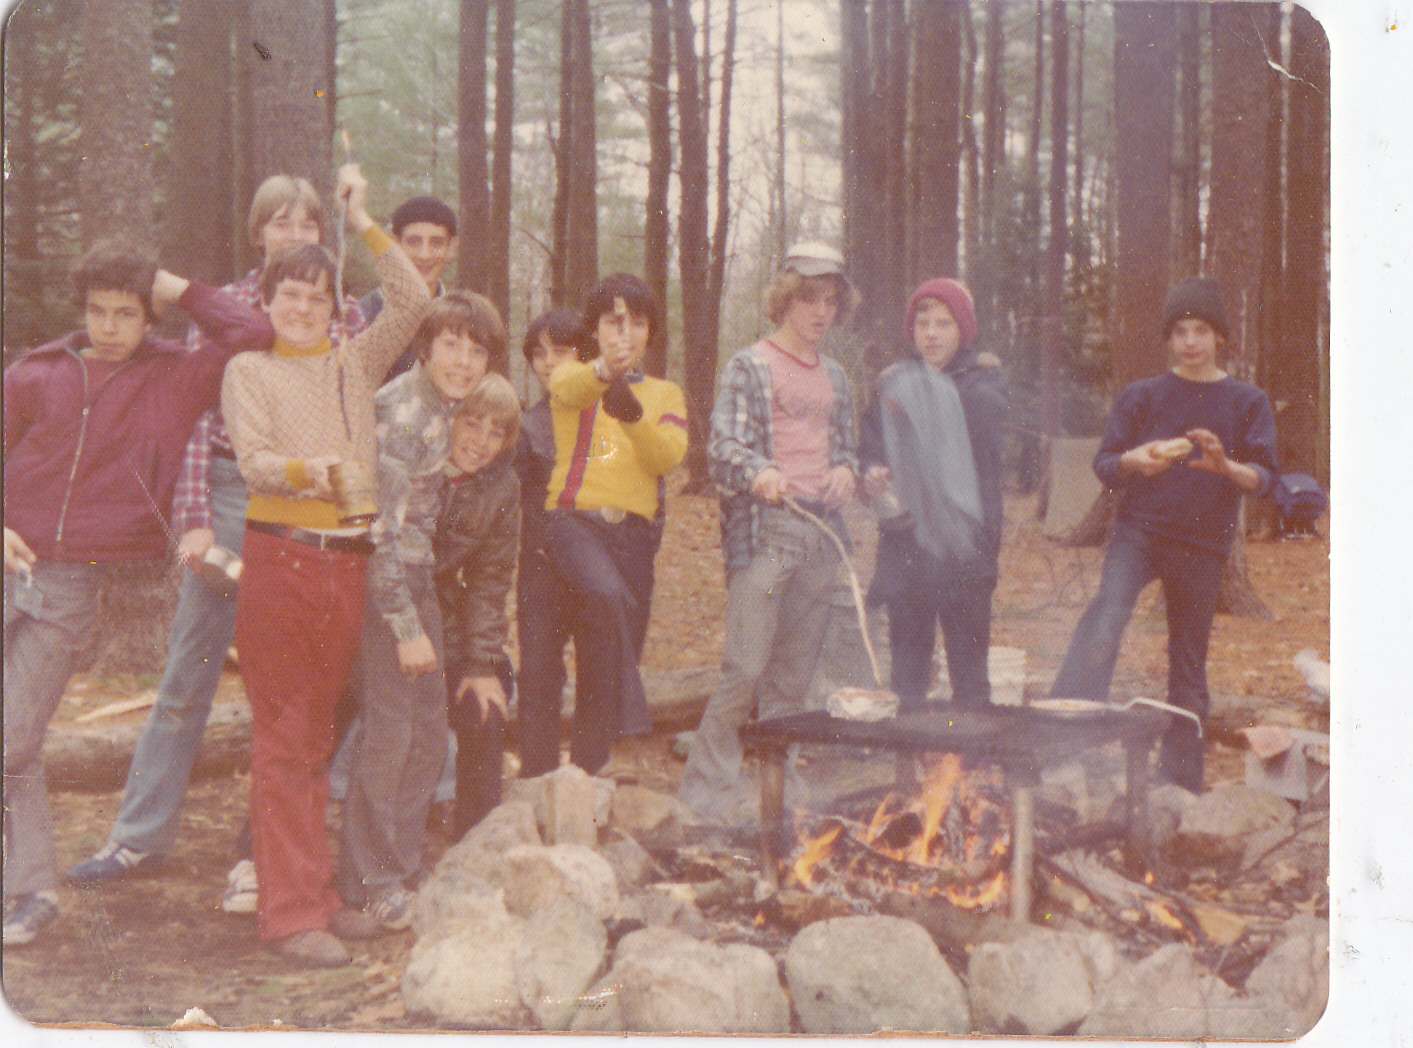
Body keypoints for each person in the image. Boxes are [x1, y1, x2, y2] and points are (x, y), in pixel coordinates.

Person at [65, 175, 368, 915]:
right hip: (235, 490)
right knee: (190, 666)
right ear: (258, 231)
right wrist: (195, 517)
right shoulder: (225, 308)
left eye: (308, 222)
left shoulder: (344, 311)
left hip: (320, 512)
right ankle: (138, 832)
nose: (295, 233)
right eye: (280, 222)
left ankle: (256, 852)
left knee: (305, 683)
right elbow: (199, 419)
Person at [3, 240, 274, 947]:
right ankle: (30, 892)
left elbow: (251, 331)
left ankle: (28, 890)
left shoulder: (174, 378)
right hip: (7, 556)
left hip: (67, 583)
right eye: (98, 311)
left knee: (11, 737)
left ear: (146, 315)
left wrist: (175, 284)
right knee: (17, 745)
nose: (111, 327)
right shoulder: (35, 372)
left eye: (126, 312)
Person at [220, 163, 431, 967]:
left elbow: (413, 300)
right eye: (288, 296)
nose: (302, 308)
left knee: (315, 741)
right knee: (285, 742)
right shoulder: (251, 370)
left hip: (347, 567)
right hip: (281, 565)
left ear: (334, 305)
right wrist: (320, 473)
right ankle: (288, 915)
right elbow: (257, 461)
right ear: (267, 303)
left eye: (316, 296)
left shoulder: (356, 362)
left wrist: (364, 215)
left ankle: (316, 896)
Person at [1048, 276, 1278, 791]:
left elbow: (1264, 477)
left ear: (1219, 336)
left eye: (1200, 330)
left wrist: (1224, 466)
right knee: (1106, 615)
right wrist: (1134, 460)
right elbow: (1106, 463)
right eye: (1180, 331)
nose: (1190, 341)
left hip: (1202, 546)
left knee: (1188, 656)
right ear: (1170, 338)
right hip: (1140, 534)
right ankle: (1063, 742)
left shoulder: (1247, 401)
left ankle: (1178, 777)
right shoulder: (1143, 395)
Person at [337, 291, 504, 926]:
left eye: (477, 349)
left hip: (417, 575)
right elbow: (373, 532)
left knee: (429, 731)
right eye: (451, 345)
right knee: (391, 732)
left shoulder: (446, 408)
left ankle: (402, 865)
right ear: (425, 347)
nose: (463, 360)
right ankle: (369, 882)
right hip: (385, 584)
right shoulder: (402, 413)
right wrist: (404, 627)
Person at [677, 243, 859, 822]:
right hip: (768, 533)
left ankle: (779, 789)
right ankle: (705, 792)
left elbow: (848, 447)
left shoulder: (837, 376)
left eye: (831, 300)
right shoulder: (749, 366)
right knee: (746, 668)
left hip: (821, 533)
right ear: (785, 297)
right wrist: (760, 470)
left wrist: (845, 471)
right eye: (809, 297)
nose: (820, 311)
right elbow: (722, 450)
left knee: (792, 677)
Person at [541, 274, 688, 775]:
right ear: (596, 328)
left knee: (606, 654)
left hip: (634, 539)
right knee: (606, 597)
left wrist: (631, 416)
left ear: (650, 332)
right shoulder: (574, 373)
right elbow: (569, 388)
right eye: (613, 321)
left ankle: (589, 772)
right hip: (573, 523)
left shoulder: (667, 393)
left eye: (638, 322)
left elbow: (666, 457)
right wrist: (604, 371)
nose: (626, 332)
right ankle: (631, 733)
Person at [859, 278, 1007, 711]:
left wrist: (918, 398)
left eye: (943, 323)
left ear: (962, 329)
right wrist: (873, 473)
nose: (931, 333)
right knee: (907, 670)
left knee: (969, 671)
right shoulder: (893, 383)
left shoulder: (984, 380)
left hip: (967, 549)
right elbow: (869, 448)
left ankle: (971, 771)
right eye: (923, 323)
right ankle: (911, 771)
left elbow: (981, 416)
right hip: (907, 546)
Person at [434, 375, 522, 834]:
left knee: (486, 700)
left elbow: (490, 581)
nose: (480, 442)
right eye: (472, 424)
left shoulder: (500, 487)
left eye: (496, 432)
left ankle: (476, 837)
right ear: (451, 418)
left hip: (446, 620)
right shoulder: (418, 462)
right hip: (384, 620)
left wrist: (481, 662)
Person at [513, 309, 596, 777]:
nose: (547, 363)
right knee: (539, 675)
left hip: (598, 564)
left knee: (596, 674)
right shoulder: (527, 426)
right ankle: (537, 777)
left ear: (583, 355)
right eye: (538, 354)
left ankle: (586, 778)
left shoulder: (604, 414)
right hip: (542, 567)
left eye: (559, 352)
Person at [360, 195, 457, 379]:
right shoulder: (362, 315)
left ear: (451, 247)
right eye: (413, 242)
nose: (424, 254)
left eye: (436, 243)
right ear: (394, 244)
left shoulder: (461, 317)